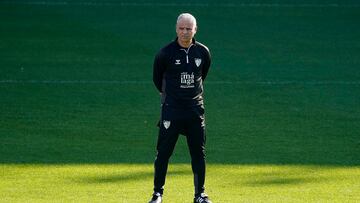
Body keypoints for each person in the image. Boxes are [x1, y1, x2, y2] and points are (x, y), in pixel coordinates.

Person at [149, 13, 212, 203]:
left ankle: (199, 194)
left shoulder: (203, 52)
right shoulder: (165, 53)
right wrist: (171, 96)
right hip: (172, 110)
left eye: (189, 29)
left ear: (195, 29)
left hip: (195, 110)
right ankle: (157, 193)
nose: (185, 32)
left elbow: (203, 74)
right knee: (164, 152)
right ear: (176, 29)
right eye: (181, 28)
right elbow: (157, 79)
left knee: (198, 153)